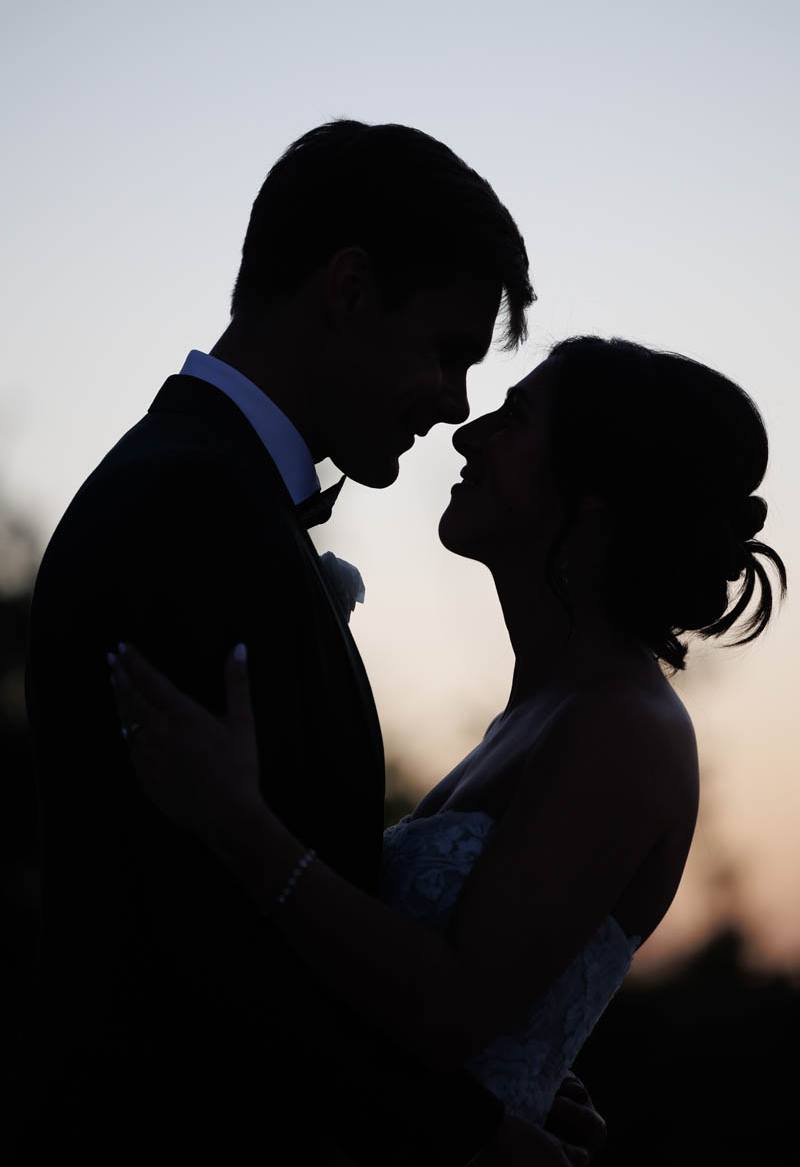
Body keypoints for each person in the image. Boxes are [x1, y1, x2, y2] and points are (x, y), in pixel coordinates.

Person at [25, 119, 600, 1165]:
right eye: (443, 351)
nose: (455, 403)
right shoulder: (192, 513)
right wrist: (472, 1135)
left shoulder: (207, 489)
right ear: (346, 289)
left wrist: (488, 1078)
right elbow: (200, 947)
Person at [107, 334, 787, 1151]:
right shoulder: (542, 710)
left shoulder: (624, 728)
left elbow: (448, 1011)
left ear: (594, 499)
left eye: (515, 418)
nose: (467, 434)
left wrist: (239, 825)